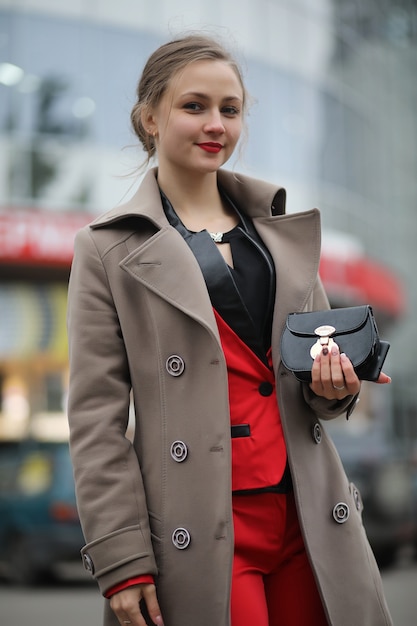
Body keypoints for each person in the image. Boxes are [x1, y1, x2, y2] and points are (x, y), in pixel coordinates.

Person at [67, 33, 393, 626]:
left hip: (309, 514)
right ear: (149, 118)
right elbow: (95, 420)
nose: (215, 123)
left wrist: (334, 388)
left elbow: (310, 388)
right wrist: (122, 560)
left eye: (230, 109)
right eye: (194, 106)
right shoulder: (106, 249)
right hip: (198, 524)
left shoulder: (281, 233)